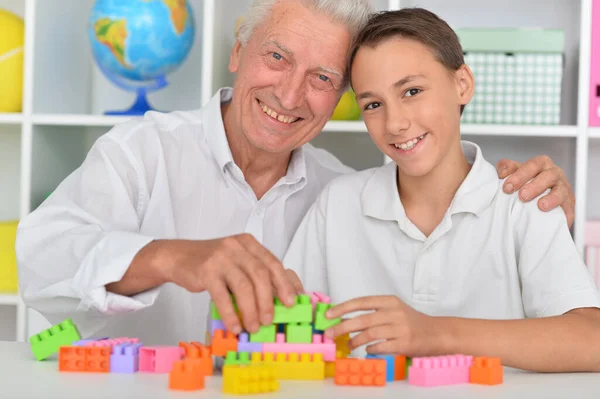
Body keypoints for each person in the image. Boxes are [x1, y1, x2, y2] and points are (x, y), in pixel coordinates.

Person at [16, 0, 577, 345]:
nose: (289, 94)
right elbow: (40, 256)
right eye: (277, 57)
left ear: (340, 98)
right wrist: (169, 256)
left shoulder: (339, 191)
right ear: (239, 49)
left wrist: (537, 199)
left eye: (323, 77)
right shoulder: (144, 150)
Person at [283, 8, 600, 373]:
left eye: (412, 91)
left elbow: (591, 338)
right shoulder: (337, 205)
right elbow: (290, 331)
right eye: (373, 104)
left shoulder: (523, 202)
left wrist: (434, 333)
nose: (396, 123)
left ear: (462, 84)